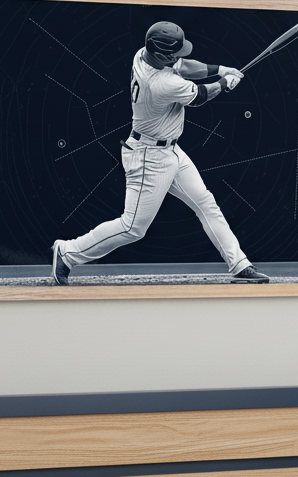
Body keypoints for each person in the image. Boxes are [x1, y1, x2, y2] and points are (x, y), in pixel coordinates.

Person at [51, 21, 269, 285]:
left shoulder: (143, 55)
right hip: (148, 158)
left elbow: (184, 66)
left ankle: (239, 264)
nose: (178, 57)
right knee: (132, 228)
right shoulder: (161, 83)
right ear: (160, 54)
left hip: (171, 151)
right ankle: (67, 252)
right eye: (173, 53)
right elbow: (200, 95)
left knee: (205, 203)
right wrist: (224, 84)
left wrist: (222, 70)